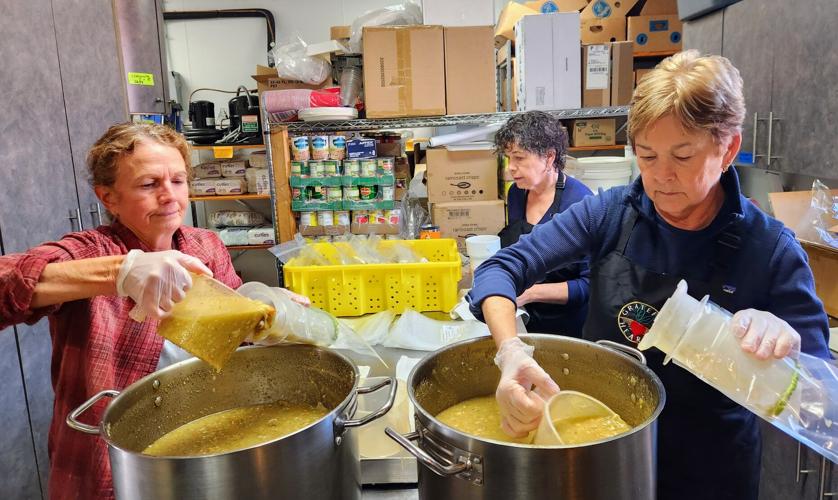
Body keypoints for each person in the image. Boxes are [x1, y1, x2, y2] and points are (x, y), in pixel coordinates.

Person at [468, 50, 831, 500]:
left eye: (682, 156)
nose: (661, 177)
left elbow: (820, 396)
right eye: (646, 155)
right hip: (601, 447)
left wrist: (784, 343)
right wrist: (510, 353)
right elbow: (501, 268)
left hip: (711, 471)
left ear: (728, 148)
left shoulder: (770, 249)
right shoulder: (609, 214)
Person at [0, 123, 302, 500]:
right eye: (148, 184)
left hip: (202, 442)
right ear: (108, 197)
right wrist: (122, 272)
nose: (169, 196)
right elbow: (8, 281)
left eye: (178, 180)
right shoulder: (90, 252)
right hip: (111, 463)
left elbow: (237, 335)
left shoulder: (204, 247)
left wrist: (268, 311)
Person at [496, 111, 593, 337]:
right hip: (525, 317)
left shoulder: (580, 203)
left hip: (568, 328)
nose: (511, 167)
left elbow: (589, 285)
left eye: (519, 158)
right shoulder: (517, 193)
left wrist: (530, 293)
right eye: (508, 158)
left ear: (549, 157)